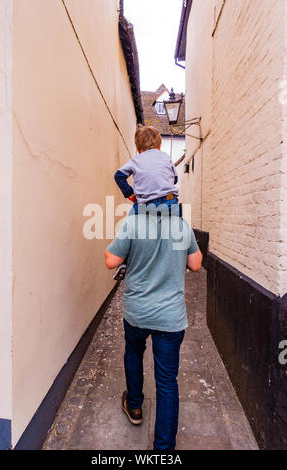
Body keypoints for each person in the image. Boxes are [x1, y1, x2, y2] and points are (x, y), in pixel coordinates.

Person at [105, 203, 203, 451]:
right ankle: (164, 448)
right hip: (170, 318)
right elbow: (196, 264)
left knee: (134, 352)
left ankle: (135, 405)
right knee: (167, 381)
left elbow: (110, 261)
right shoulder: (182, 226)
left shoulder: (132, 223)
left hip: (137, 312)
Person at [113, 125, 179, 281]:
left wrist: (130, 194)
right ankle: (174, 258)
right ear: (160, 144)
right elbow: (175, 178)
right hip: (170, 202)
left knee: (128, 229)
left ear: (137, 148)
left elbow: (118, 176)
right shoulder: (166, 157)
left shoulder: (136, 160)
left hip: (144, 204)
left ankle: (124, 261)